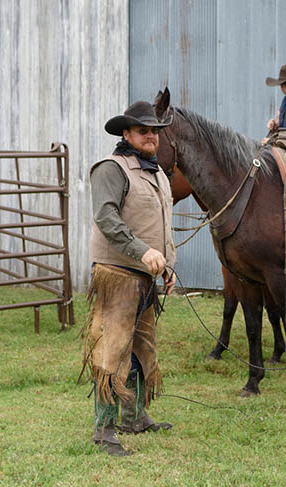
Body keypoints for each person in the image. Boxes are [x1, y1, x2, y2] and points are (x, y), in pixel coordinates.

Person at [83, 100, 177, 457]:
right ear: (127, 133)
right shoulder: (112, 169)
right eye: (143, 130)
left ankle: (134, 416)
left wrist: (167, 264)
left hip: (145, 277)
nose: (151, 136)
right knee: (112, 350)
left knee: (142, 348)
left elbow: (162, 226)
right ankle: (104, 431)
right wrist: (142, 252)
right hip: (117, 274)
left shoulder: (156, 174)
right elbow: (107, 219)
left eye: (154, 131)